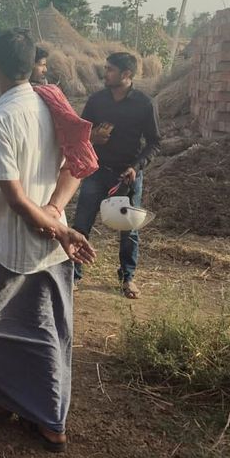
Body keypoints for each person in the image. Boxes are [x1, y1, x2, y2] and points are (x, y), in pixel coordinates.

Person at [0, 29, 96, 453]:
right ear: (31, 64)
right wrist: (56, 214)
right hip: (50, 244)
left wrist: (56, 224)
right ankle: (43, 418)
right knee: (46, 328)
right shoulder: (53, 102)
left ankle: (7, 403)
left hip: (9, 243)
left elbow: (12, 197)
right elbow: (77, 165)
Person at [71, 52, 161, 299]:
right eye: (106, 68)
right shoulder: (96, 101)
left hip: (127, 176)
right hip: (96, 171)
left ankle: (127, 278)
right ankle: (73, 275)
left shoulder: (145, 104)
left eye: (110, 69)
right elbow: (80, 133)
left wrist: (136, 167)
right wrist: (92, 138)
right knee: (81, 224)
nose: (105, 73)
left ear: (126, 75)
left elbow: (154, 142)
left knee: (129, 230)